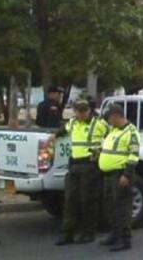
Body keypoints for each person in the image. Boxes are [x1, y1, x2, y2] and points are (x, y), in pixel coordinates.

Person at [53, 99, 109, 246]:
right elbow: (63, 130)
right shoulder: (73, 122)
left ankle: (88, 232)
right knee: (70, 200)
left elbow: (111, 138)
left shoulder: (99, 124)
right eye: (79, 111)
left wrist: (101, 151)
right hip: (74, 164)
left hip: (90, 165)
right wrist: (54, 135)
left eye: (84, 110)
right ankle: (67, 233)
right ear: (75, 111)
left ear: (89, 110)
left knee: (88, 200)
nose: (81, 113)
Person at [98, 104, 141, 252]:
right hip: (109, 175)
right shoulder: (114, 130)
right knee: (110, 206)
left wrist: (126, 175)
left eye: (109, 118)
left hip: (121, 174)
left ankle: (124, 238)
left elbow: (134, 156)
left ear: (116, 116)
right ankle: (114, 234)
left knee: (122, 208)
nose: (108, 122)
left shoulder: (131, 132)